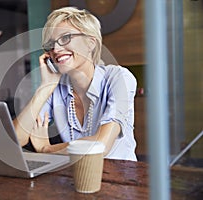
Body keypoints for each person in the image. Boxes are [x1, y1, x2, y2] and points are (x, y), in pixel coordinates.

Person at [13, 7, 137, 161]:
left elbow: (101, 146)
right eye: (51, 44)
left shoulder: (119, 78)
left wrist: (47, 149)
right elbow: (16, 139)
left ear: (90, 43)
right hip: (74, 176)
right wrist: (45, 88)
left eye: (65, 38)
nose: (56, 49)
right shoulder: (56, 87)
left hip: (120, 179)